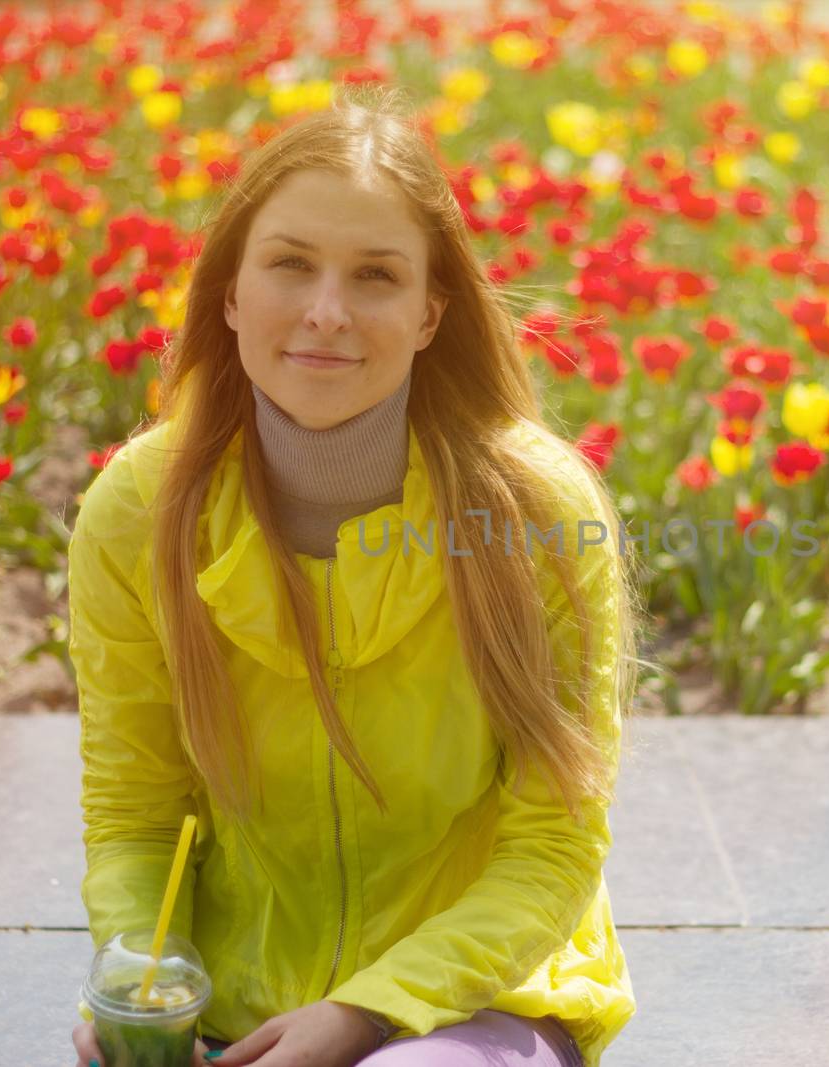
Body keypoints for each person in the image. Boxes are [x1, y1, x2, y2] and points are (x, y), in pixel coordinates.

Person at [68, 84, 643, 1067]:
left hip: (474, 999)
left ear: (429, 311)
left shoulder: (537, 510)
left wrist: (368, 1012)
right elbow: (136, 813)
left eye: (374, 275)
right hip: (232, 1008)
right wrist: (144, 975)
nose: (326, 313)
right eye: (290, 264)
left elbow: (553, 845)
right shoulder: (136, 508)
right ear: (231, 292)